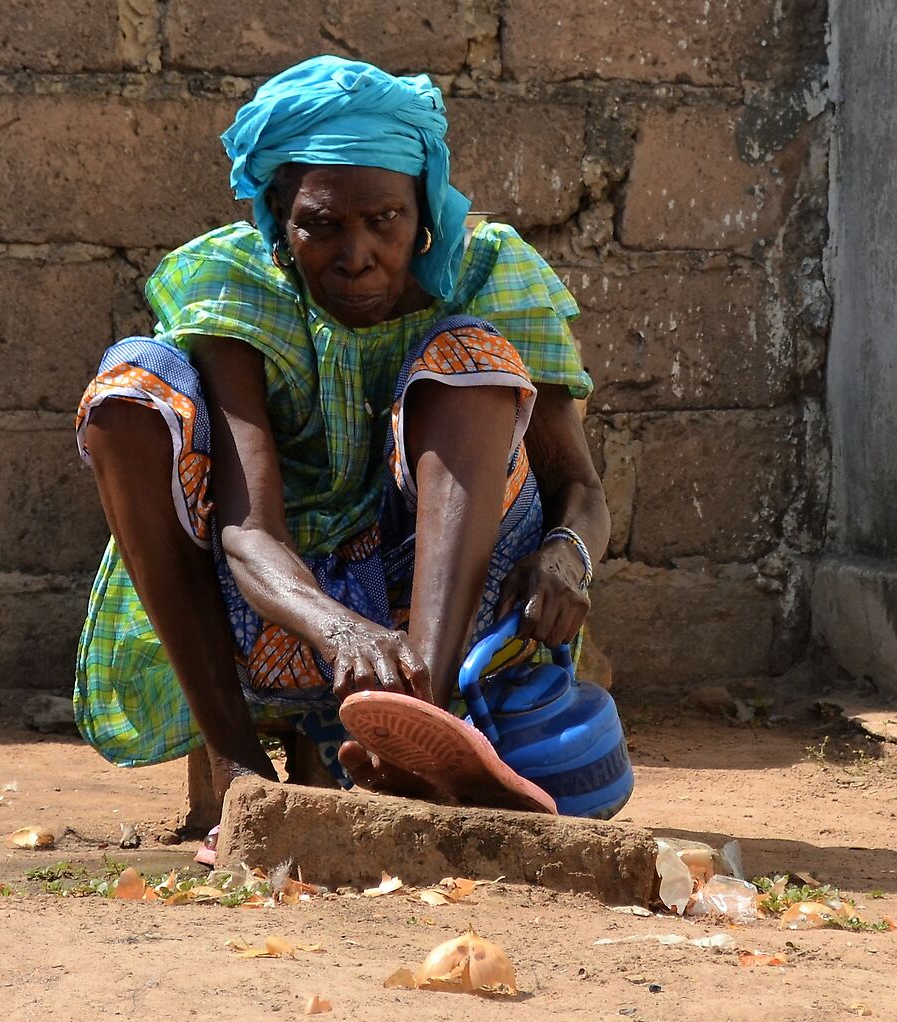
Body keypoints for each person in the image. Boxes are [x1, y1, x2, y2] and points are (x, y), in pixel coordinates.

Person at [71, 55, 610, 836]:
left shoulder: (492, 274)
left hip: (446, 611)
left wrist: (566, 557)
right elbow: (249, 532)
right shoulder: (236, 283)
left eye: (383, 221)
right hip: (269, 615)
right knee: (132, 382)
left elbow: (582, 493)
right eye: (321, 225)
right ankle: (239, 775)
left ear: (423, 212)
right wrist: (338, 628)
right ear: (279, 227)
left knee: (470, 356)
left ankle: (417, 740)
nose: (355, 253)